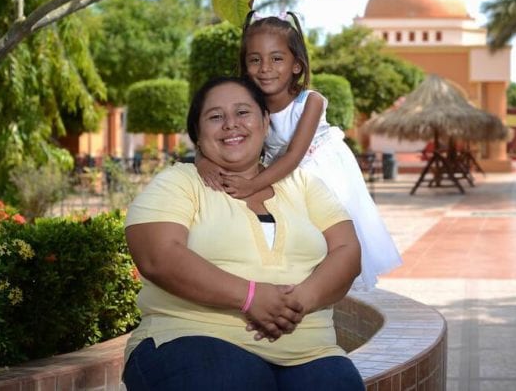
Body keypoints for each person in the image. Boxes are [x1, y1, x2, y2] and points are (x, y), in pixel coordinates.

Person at [122, 76, 364, 390]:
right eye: (215, 117)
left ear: (265, 122)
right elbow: (157, 256)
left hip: (310, 350)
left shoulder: (302, 184)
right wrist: (250, 297)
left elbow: (347, 249)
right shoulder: (180, 182)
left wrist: (302, 299)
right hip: (193, 337)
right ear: (197, 132)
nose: (230, 125)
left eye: (243, 113)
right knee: (235, 381)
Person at [197, 12, 401, 289]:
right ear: (245, 67)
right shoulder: (252, 107)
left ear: (296, 65)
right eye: (255, 60)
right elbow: (217, 138)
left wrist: (252, 185)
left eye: (277, 58)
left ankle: (330, 292)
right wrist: (202, 161)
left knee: (327, 236)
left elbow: (294, 155)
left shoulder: (311, 102)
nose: (265, 67)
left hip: (319, 171)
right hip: (279, 173)